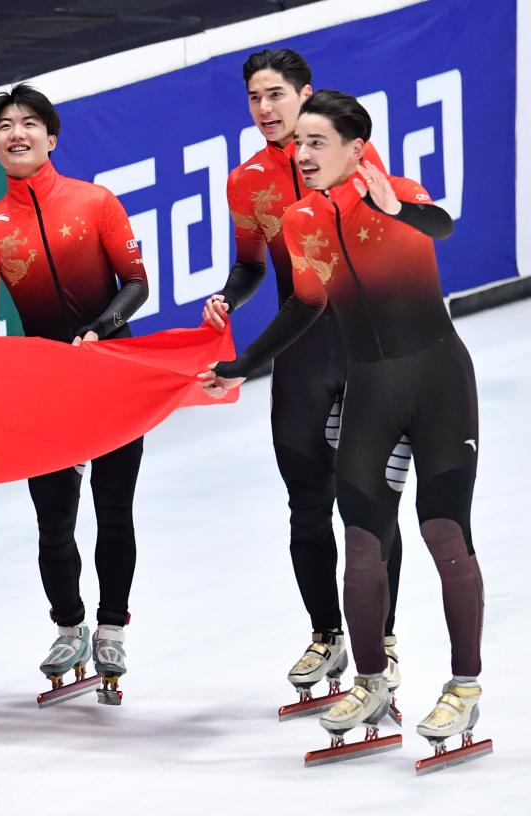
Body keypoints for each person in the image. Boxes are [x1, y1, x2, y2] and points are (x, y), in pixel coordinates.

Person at [201, 90, 485, 757]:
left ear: (356, 149)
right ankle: (371, 681)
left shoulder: (398, 193)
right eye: (298, 142)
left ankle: (465, 686)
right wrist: (243, 366)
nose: (301, 153)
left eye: (316, 142)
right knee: (361, 541)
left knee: (444, 531)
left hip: (440, 382)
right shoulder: (300, 220)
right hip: (371, 390)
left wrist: (397, 209)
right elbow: (305, 305)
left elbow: (442, 226)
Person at [202, 49, 407, 711]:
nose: (264, 108)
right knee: (307, 504)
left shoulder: (353, 159)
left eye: (276, 95)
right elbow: (251, 267)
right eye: (254, 97)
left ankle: (384, 639)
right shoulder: (246, 182)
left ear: (305, 94)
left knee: (370, 506)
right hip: (301, 355)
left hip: (365, 349)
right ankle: (327, 636)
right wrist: (228, 297)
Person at [0, 84, 148, 702]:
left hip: (111, 377)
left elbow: (136, 283)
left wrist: (98, 330)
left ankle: (112, 626)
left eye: (29, 123)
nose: (17, 133)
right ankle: (69, 625)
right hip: (44, 392)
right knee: (53, 520)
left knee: (114, 508)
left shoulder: (96, 203)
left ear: (52, 137)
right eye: (4, 126)